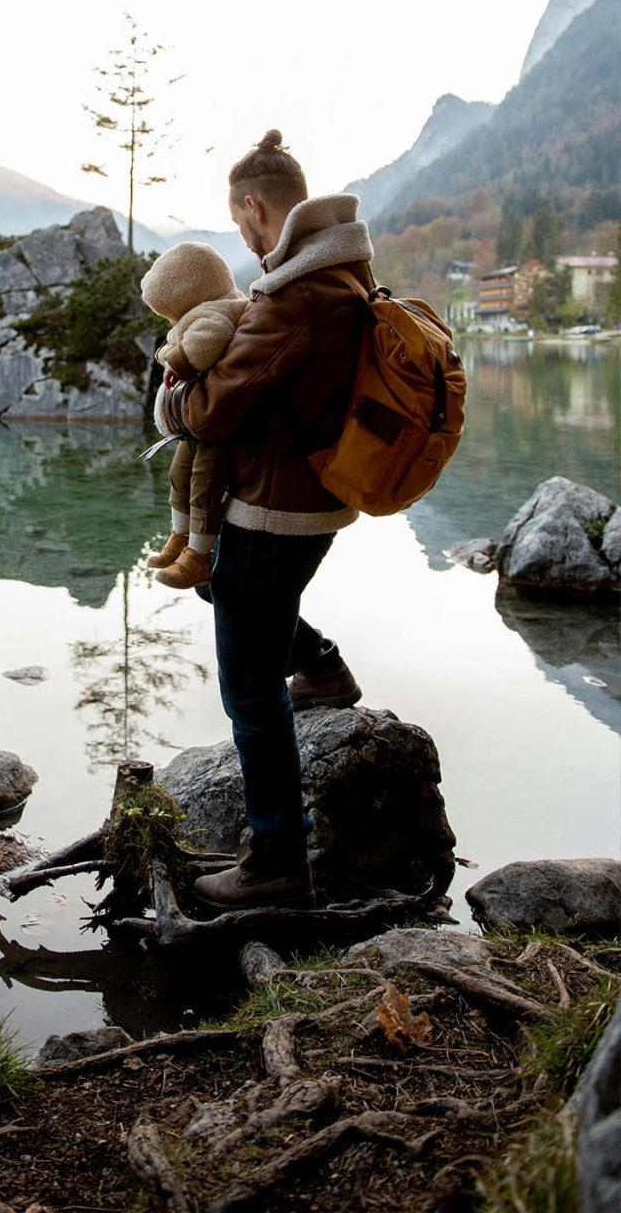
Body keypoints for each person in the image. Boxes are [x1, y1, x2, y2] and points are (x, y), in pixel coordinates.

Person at [162, 128, 373, 909]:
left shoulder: (295, 297)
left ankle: (277, 860)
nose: (245, 238)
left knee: (249, 690)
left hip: (274, 509)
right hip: (311, 500)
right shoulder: (342, 274)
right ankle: (321, 665)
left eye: (241, 222)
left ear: (254, 209)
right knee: (222, 587)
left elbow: (212, 412)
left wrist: (173, 396)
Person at [139, 241, 249, 590]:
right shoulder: (205, 310)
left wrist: (174, 358)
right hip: (196, 427)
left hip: (215, 426)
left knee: (204, 483)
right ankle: (180, 537)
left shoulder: (214, 313)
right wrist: (170, 351)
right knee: (179, 474)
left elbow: (204, 345)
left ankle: (199, 555)